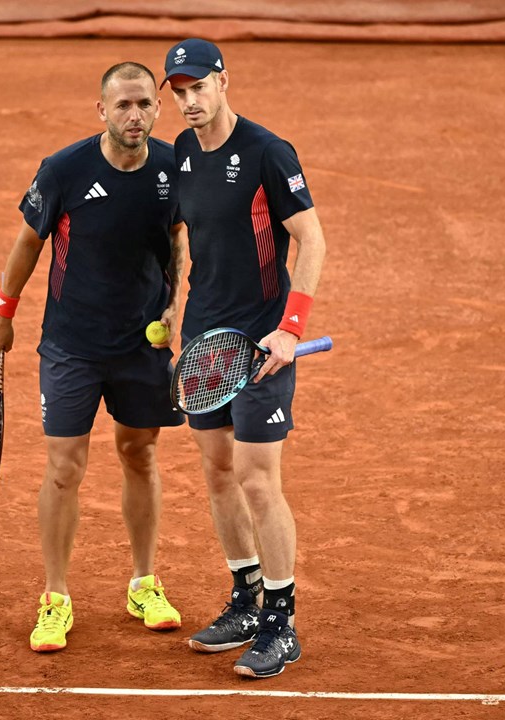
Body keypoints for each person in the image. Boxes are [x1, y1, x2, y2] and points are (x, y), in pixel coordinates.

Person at [0, 61, 187, 653]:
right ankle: (56, 597)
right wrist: (3, 312)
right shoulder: (65, 170)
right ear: (101, 110)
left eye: (145, 104)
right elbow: (29, 242)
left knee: (140, 456)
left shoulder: (174, 169)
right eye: (122, 105)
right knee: (64, 469)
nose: (135, 115)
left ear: (157, 107)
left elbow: (178, 238)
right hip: (71, 345)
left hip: (140, 347)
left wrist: (172, 305)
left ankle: (144, 582)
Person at [160, 38, 327, 679]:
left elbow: (310, 236)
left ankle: (281, 624)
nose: (189, 101)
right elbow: (180, 233)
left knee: (258, 478)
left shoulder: (266, 151)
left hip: (262, 341)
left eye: (198, 87)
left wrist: (290, 329)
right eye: (179, 92)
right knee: (219, 474)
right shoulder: (180, 154)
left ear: (224, 82)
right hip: (205, 339)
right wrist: (174, 310)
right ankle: (246, 595)